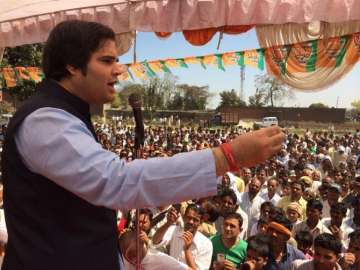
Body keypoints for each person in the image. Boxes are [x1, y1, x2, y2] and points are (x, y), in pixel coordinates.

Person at [1, 20, 284, 270]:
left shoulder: (65, 115)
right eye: (107, 60)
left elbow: (68, 210)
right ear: (72, 65)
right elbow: (116, 181)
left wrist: (116, 238)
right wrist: (227, 157)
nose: (119, 70)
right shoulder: (46, 120)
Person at [152, 204, 213, 269]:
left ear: (201, 222)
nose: (191, 222)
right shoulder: (174, 230)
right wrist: (168, 224)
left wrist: (187, 250)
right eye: (188, 217)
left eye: (195, 220)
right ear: (183, 217)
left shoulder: (206, 244)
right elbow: (155, 241)